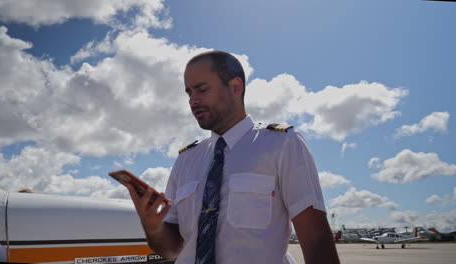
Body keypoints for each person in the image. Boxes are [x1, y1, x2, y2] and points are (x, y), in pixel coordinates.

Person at [126, 51, 340, 263]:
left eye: (201, 89)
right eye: (189, 93)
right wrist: (153, 226)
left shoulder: (282, 144)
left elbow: (316, 239)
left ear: (236, 87)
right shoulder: (186, 160)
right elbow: (171, 250)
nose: (193, 101)